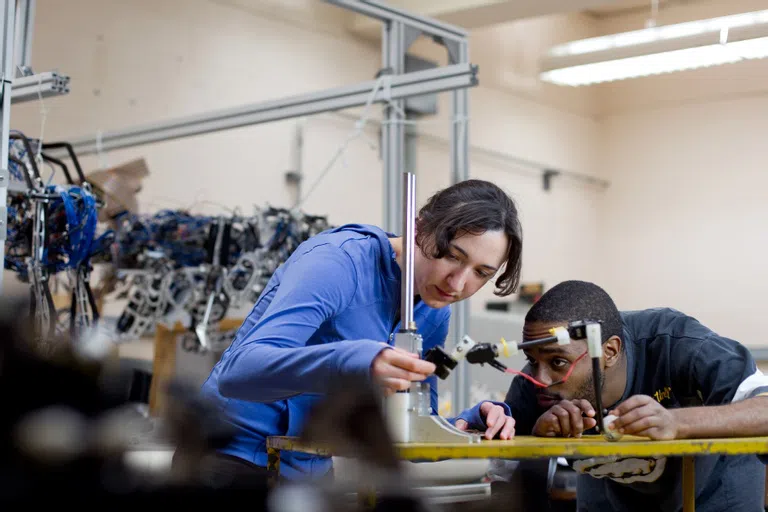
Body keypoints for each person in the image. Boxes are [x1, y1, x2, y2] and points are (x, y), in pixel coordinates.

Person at [194, 179, 522, 483]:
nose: (459, 283)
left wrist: (470, 425)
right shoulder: (338, 263)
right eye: (452, 256)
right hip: (228, 456)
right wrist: (357, 360)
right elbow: (238, 373)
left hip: (308, 469)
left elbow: (409, 431)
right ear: (419, 227)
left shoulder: (434, 314)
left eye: (481, 272)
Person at [504, 280, 768, 512]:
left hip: (715, 494)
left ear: (609, 351)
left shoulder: (677, 343)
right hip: (611, 498)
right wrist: (539, 437)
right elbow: (500, 471)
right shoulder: (538, 378)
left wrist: (677, 423)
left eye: (559, 362)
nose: (539, 379)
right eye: (532, 360)